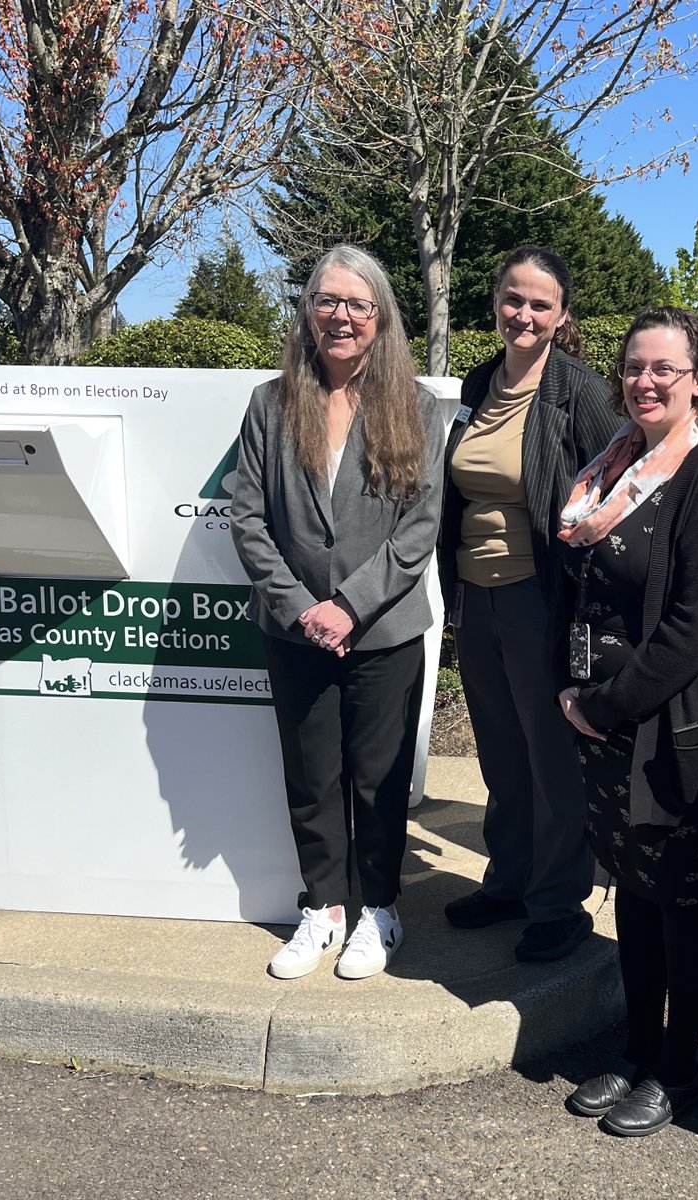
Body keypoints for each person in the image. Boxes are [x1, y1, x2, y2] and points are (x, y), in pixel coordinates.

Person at [556, 307, 698, 1136]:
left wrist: (601, 706)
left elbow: (692, 631)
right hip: (605, 734)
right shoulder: (615, 466)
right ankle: (639, 1049)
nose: (644, 381)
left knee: (683, 905)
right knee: (633, 897)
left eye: (663, 370)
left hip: (670, 735)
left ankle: (679, 1072)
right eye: (634, 367)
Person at [231, 245, 444, 982]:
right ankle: (321, 908)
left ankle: (378, 910)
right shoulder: (270, 402)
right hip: (294, 631)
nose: (341, 316)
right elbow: (247, 516)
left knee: (377, 778)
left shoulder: (414, 405)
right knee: (311, 772)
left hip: (382, 629)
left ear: (380, 317)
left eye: (357, 304)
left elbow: (420, 526)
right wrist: (302, 610)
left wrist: (349, 606)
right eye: (327, 301)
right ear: (308, 310)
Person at [437, 245, 619, 963]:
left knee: (550, 760)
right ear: (496, 301)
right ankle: (508, 882)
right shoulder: (478, 383)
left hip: (541, 600)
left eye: (541, 303)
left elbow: (627, 483)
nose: (525, 313)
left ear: (562, 314)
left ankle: (558, 905)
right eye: (515, 298)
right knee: (501, 754)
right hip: (475, 601)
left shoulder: (579, 391)